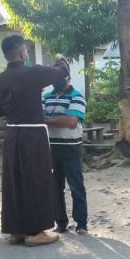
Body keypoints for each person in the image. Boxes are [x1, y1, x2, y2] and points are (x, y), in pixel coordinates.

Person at [0, 35, 70, 247]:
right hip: (32, 134)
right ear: (23, 53)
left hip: (12, 133)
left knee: (14, 180)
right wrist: (61, 58)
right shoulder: (33, 73)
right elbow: (62, 70)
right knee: (37, 178)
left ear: (6, 55)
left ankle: (15, 230)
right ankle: (35, 232)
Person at [42, 75, 89, 235]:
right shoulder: (46, 96)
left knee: (76, 187)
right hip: (51, 150)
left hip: (71, 149)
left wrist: (47, 118)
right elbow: (38, 118)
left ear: (68, 78)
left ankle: (81, 224)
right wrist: (60, 119)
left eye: (61, 76)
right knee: (55, 188)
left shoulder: (77, 96)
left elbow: (71, 121)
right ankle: (60, 223)